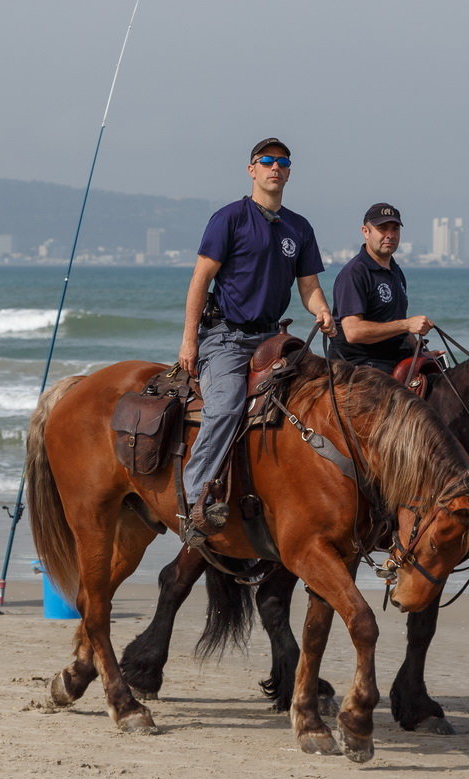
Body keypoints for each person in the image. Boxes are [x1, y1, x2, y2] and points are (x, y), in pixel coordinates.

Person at [178, 137, 333, 545]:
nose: (275, 167)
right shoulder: (229, 218)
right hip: (226, 337)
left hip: (273, 337)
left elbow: (309, 287)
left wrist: (322, 311)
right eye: (266, 161)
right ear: (252, 170)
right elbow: (200, 281)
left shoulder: (299, 227)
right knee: (226, 407)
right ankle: (195, 503)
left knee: (320, 397)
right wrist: (189, 343)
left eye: (283, 162)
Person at [329, 203, 433, 372]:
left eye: (395, 229)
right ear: (365, 231)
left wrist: (422, 353)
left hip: (394, 359)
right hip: (359, 367)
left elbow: (398, 326)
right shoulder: (354, 273)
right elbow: (353, 332)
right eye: (382, 228)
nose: (390, 235)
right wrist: (406, 324)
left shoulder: (395, 271)